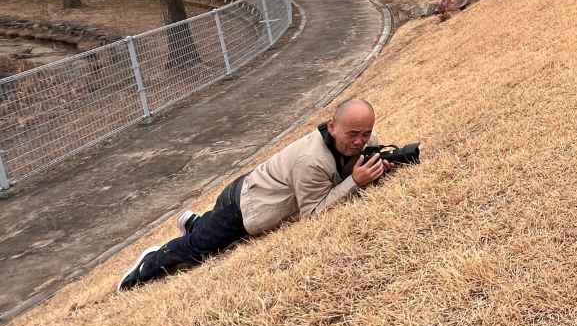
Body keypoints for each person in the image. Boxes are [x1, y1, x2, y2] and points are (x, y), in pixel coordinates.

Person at [118, 98, 406, 291]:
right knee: (199, 250)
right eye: (353, 134)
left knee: (208, 231)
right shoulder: (311, 160)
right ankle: (146, 266)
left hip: (254, 187)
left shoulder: (364, 141)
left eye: (366, 133)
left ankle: (195, 222)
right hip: (242, 206)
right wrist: (355, 181)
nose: (360, 141)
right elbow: (314, 214)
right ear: (332, 126)